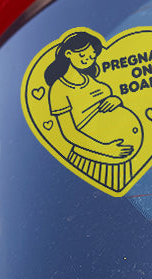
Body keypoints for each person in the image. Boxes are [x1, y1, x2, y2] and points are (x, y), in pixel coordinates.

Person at [44, 29, 142, 192]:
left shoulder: (91, 80)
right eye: (83, 55)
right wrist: (106, 149)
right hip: (92, 159)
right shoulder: (59, 89)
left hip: (123, 160)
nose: (88, 60)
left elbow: (105, 101)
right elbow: (69, 132)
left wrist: (116, 100)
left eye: (91, 56)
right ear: (68, 54)